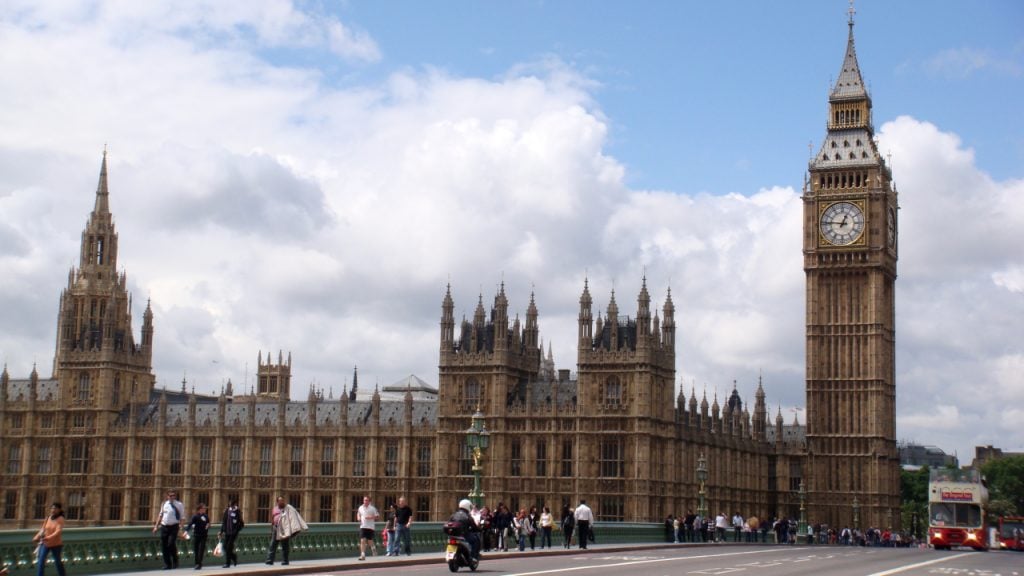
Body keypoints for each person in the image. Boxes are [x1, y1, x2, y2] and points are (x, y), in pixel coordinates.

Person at [266, 496, 308, 565]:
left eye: (283, 500)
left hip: (284, 529)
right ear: (277, 502)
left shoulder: (288, 508)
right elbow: (273, 519)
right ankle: (269, 560)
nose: (282, 502)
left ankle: (285, 561)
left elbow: (296, 516)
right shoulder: (274, 509)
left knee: (285, 546)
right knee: (273, 545)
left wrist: (301, 526)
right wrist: (271, 529)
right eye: (280, 501)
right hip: (276, 528)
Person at [152, 489, 186, 570]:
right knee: (164, 546)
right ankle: (167, 564)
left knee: (171, 544)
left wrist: (181, 528)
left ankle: (175, 560)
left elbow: (182, 517)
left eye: (174, 495)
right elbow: (160, 515)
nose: (172, 497)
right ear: (167, 496)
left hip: (174, 526)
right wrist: (156, 526)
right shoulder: (164, 504)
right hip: (164, 526)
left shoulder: (179, 504)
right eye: (170, 496)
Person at [33, 502, 66, 576]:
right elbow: (43, 529)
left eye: (55, 508)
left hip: (56, 544)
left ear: (59, 510)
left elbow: (58, 531)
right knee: (41, 561)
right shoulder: (48, 518)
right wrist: (37, 536)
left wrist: (48, 537)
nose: (53, 510)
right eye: (52, 508)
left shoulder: (60, 519)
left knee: (58, 562)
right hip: (45, 543)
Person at [183, 503, 211, 570]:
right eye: (204, 508)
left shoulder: (206, 516)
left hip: (204, 535)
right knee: (196, 550)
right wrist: (186, 531)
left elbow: (208, 523)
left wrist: (208, 525)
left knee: (201, 550)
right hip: (196, 535)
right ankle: (196, 563)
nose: (205, 509)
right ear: (200, 509)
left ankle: (199, 564)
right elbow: (190, 524)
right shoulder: (195, 516)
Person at [218, 498, 244, 568]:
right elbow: (224, 522)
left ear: (235, 504)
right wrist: (221, 531)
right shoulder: (227, 510)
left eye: (232, 504)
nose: (231, 506)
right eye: (230, 504)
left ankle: (227, 563)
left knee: (229, 547)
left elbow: (241, 523)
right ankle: (234, 557)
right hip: (227, 532)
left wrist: (236, 530)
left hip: (233, 533)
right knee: (225, 547)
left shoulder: (237, 511)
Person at [357, 495, 379, 560]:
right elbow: (358, 513)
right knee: (362, 540)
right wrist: (358, 517)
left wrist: (371, 517)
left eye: (366, 500)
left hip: (370, 527)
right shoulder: (360, 507)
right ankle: (363, 555)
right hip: (363, 526)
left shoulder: (372, 508)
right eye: (364, 500)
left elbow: (377, 516)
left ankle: (373, 549)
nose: (365, 501)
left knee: (370, 541)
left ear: (369, 501)